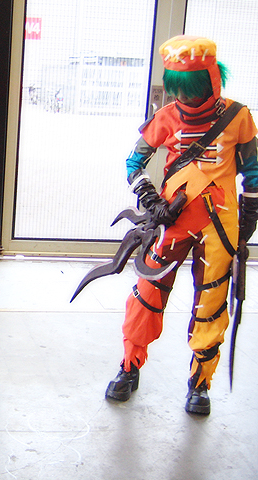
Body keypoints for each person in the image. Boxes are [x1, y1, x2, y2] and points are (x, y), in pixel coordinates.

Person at [105, 35, 258, 415]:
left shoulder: (238, 116)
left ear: (212, 80)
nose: (186, 98)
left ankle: (201, 382)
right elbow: (133, 163)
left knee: (212, 303)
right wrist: (151, 199)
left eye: (192, 89)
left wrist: (249, 217)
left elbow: (254, 172)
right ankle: (129, 365)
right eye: (180, 90)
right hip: (172, 219)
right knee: (147, 293)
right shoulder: (167, 117)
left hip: (220, 225)